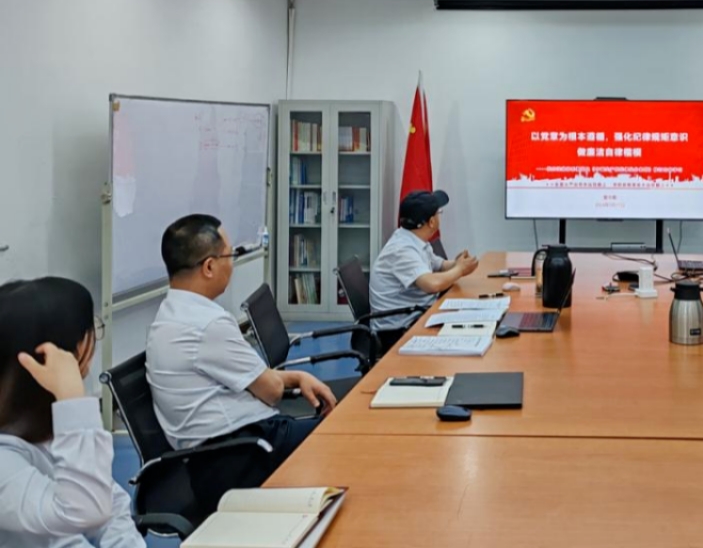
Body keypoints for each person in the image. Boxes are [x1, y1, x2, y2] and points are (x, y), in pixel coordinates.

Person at [147, 214, 336, 510]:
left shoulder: (173, 312)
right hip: (240, 455)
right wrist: (285, 381)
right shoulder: (207, 324)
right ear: (209, 267)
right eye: (230, 255)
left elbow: (256, 379)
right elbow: (271, 391)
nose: (233, 264)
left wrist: (297, 377)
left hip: (223, 450)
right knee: (346, 439)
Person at [0, 277, 145, 548]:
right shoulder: (5, 460)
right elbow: (85, 509)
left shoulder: (47, 423)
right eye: (90, 332)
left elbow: (111, 508)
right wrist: (72, 398)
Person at [369, 190, 479, 351]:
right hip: (397, 332)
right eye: (439, 213)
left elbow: (439, 265)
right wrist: (460, 270)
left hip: (416, 315)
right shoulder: (402, 249)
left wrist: (458, 263)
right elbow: (431, 284)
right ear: (432, 222)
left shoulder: (414, 239)